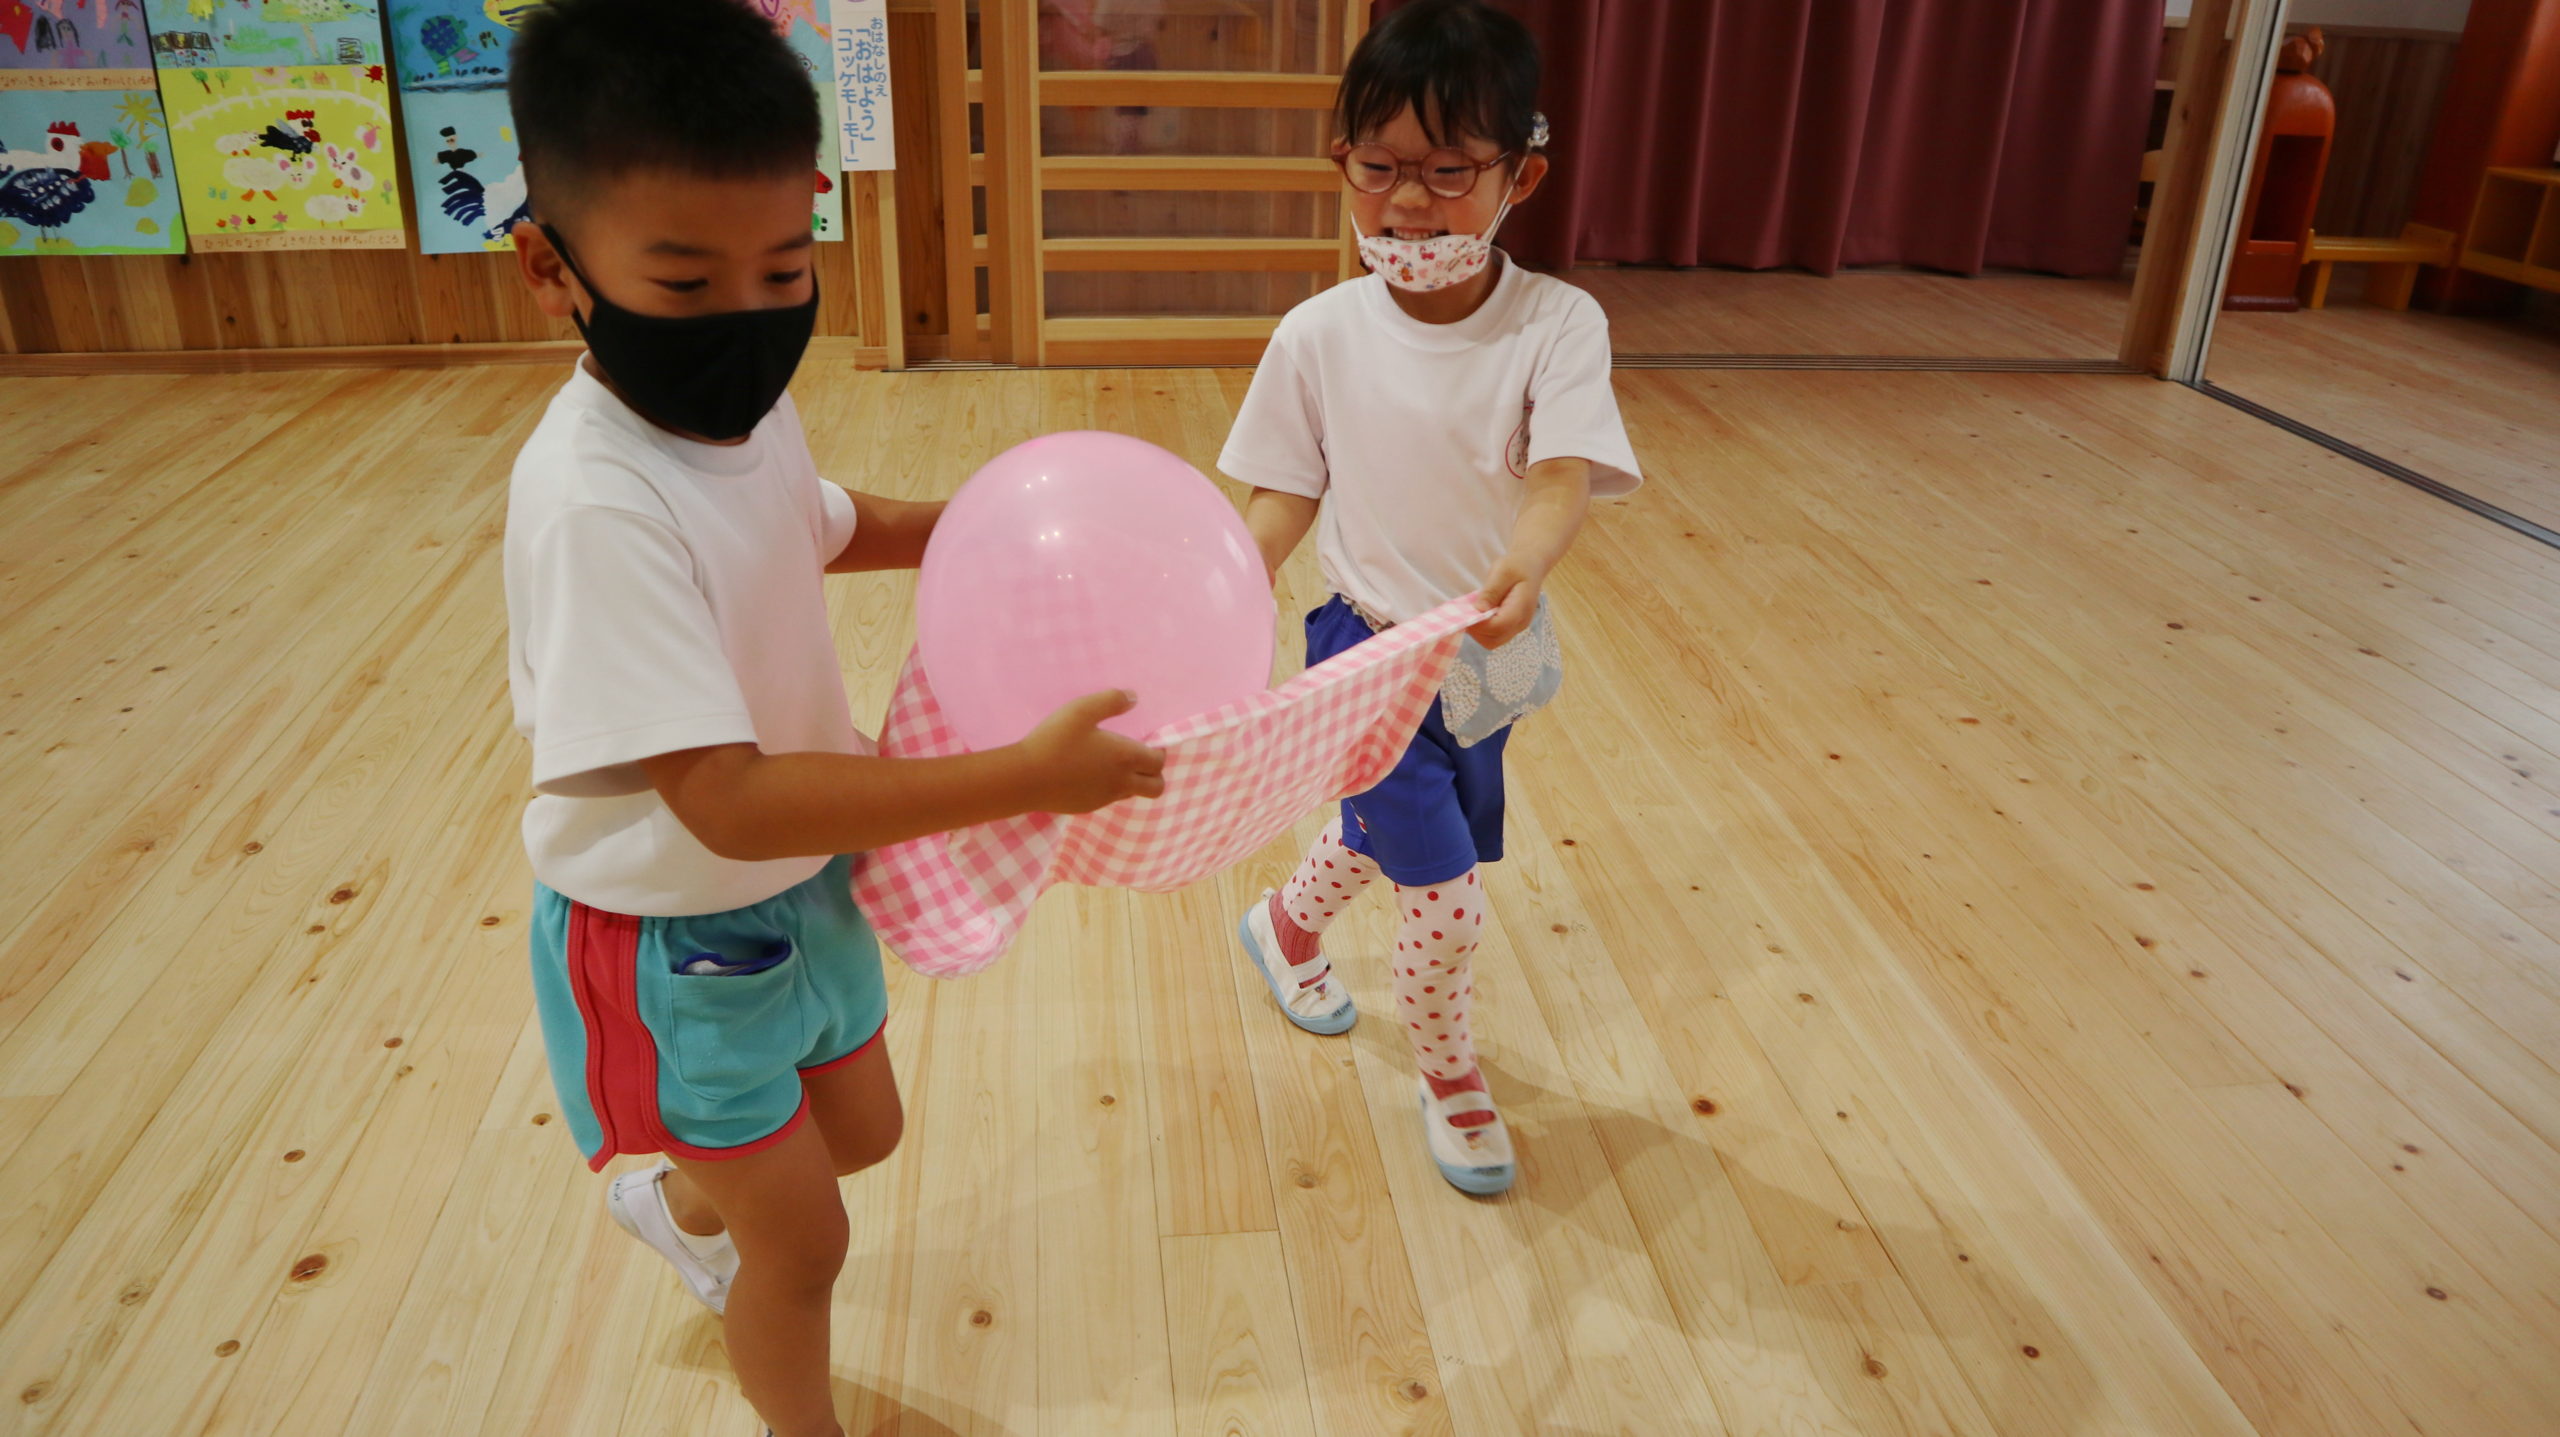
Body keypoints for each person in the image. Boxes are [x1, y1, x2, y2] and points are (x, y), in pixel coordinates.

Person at [498, 2, 1164, 1432]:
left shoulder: (735, 415)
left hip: (801, 884)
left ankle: (682, 1197)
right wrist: (1019, 776)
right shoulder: (594, 504)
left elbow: (808, 519)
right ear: (552, 269)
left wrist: (979, 524)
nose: (748, 315)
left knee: (862, 1131)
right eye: (685, 281)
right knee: (804, 1247)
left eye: (785, 268)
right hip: (673, 937)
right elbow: (725, 800)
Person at [1221, 0, 1640, 1197]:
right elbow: (1282, 495)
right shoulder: (1317, 335)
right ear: (1341, 163)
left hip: (1487, 653)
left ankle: (1284, 927)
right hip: (1364, 659)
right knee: (1445, 895)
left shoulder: (1557, 324)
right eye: (1380, 168)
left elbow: (1559, 476)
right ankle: (1448, 1069)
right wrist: (1219, 584)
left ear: (1521, 175)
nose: (1408, 203)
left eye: (1448, 171)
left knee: (1399, 832)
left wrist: (1527, 566)